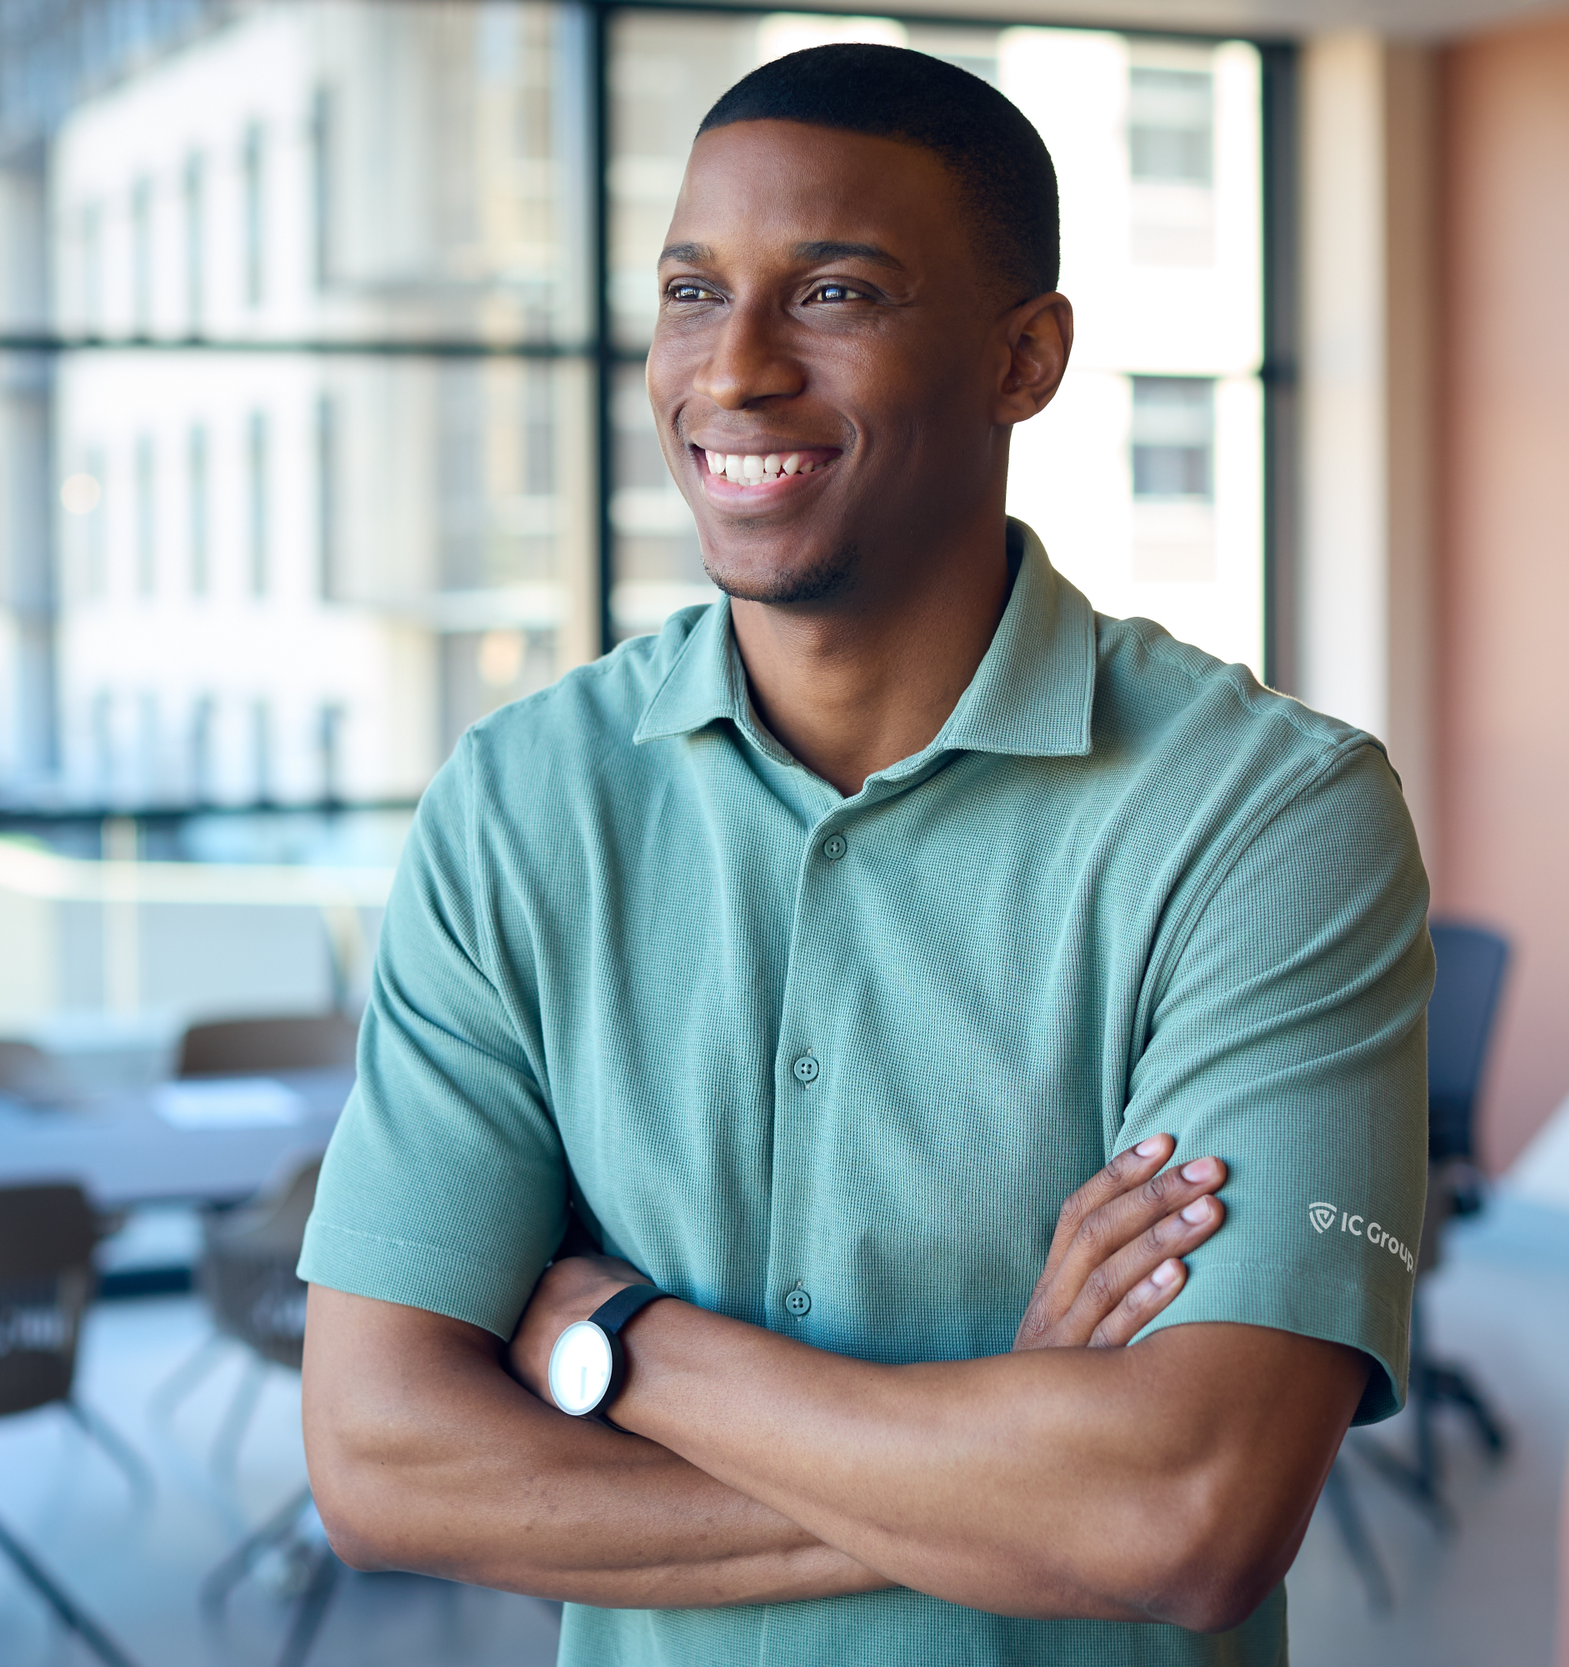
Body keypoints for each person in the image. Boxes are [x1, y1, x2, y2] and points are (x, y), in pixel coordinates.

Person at [299, 43, 1430, 1666]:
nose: (735, 367)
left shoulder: (1265, 817)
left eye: (834, 294)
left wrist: (624, 1346)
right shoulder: (521, 800)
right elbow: (382, 1462)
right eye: (694, 290)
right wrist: (1011, 1457)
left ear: (1022, 357)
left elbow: (1187, 1510)